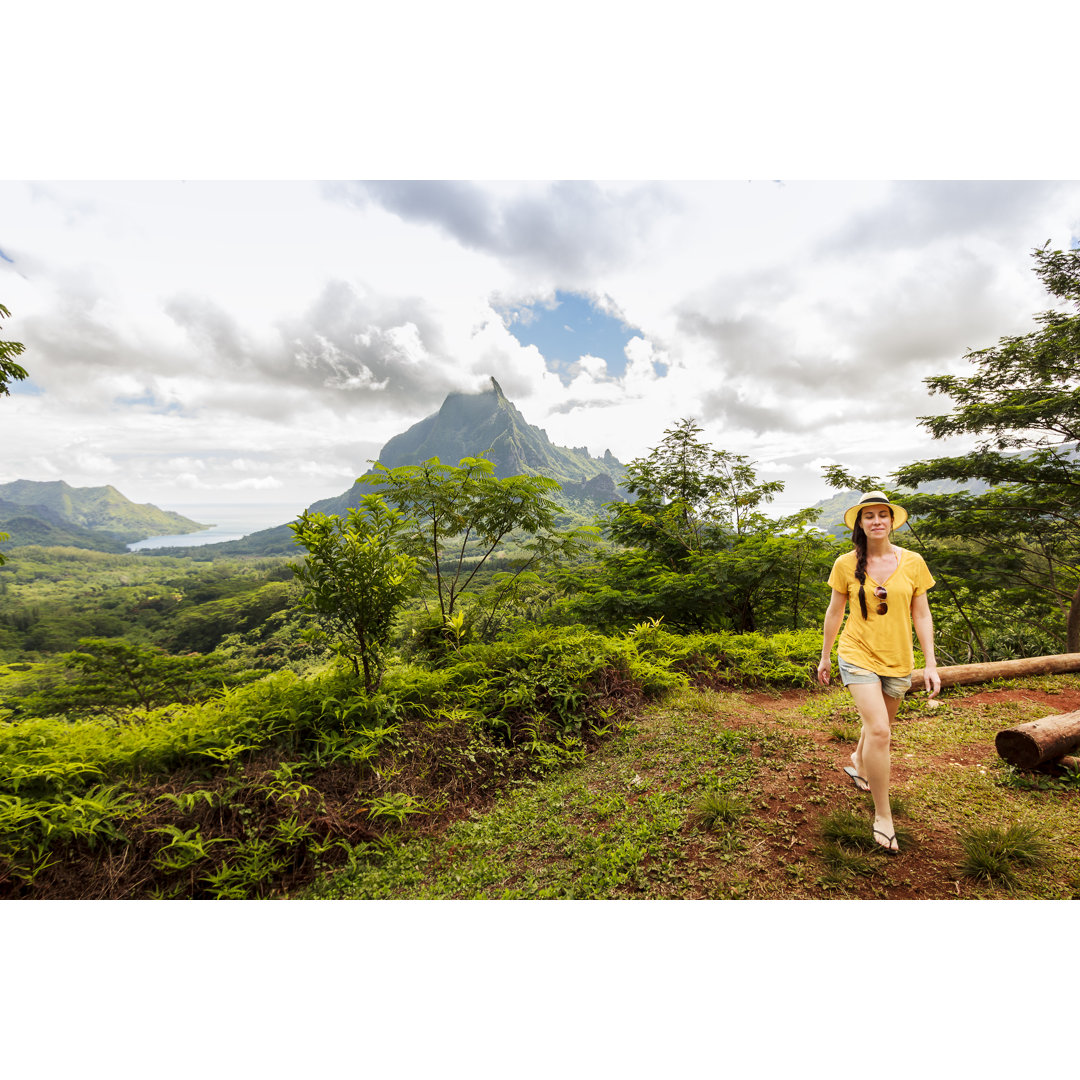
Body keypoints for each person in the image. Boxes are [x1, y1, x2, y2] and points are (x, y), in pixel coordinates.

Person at [816, 491, 941, 853]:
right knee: (881, 731)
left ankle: (858, 760)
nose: (875, 521)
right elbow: (834, 613)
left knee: (878, 728)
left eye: (881, 515)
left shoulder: (914, 562)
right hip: (858, 654)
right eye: (867, 516)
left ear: (891, 521)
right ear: (860, 523)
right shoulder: (844, 564)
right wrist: (826, 656)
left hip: (899, 659)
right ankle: (883, 815)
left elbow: (922, 614)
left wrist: (930, 662)